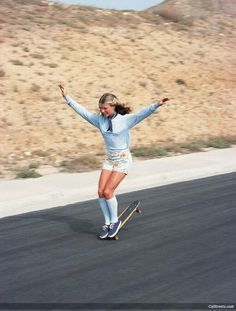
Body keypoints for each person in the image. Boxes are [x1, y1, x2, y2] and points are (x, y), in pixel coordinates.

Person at [58, 84, 169, 239]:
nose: (102, 111)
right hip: (110, 159)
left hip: (123, 160)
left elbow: (142, 114)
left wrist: (156, 104)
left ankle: (115, 221)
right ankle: (108, 223)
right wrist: (67, 98)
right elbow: (82, 112)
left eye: (105, 108)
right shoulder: (99, 120)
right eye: (100, 109)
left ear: (113, 106)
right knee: (100, 192)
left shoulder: (125, 120)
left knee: (109, 191)